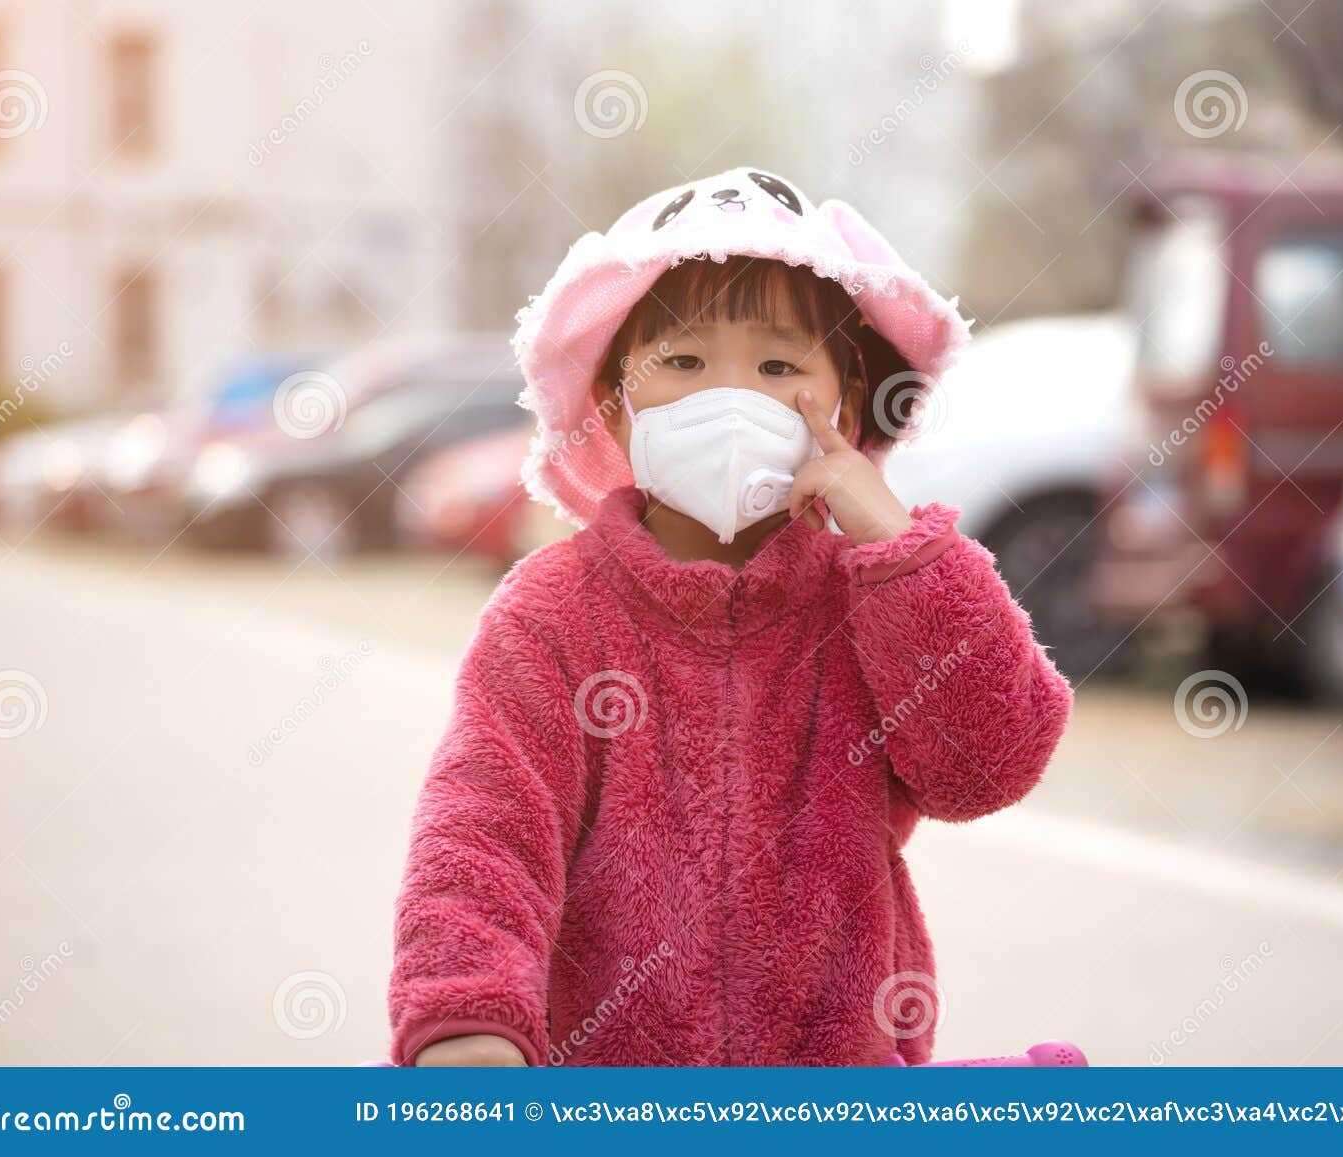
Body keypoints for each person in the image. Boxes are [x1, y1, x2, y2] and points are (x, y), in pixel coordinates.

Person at [388, 167, 1073, 1067]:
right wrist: (467, 1020)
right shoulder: (550, 615)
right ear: (613, 402)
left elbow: (990, 761)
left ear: (845, 402)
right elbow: (482, 835)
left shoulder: (872, 601)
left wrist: (899, 547)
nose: (730, 396)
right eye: (682, 361)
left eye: (780, 365)